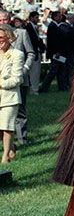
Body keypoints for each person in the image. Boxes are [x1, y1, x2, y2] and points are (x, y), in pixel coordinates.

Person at [0, 10, 34, 146]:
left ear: (9, 19)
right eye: (0, 20)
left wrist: (24, 69)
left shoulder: (21, 33)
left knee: (20, 111)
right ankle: (8, 143)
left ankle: (22, 140)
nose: (3, 22)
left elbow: (31, 53)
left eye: (4, 19)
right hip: (2, 80)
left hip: (19, 78)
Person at [0, 25, 24, 164]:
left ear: (9, 37)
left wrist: (2, 84)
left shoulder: (17, 54)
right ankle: (10, 147)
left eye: (1, 37)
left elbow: (18, 78)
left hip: (9, 97)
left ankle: (5, 158)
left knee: (6, 126)